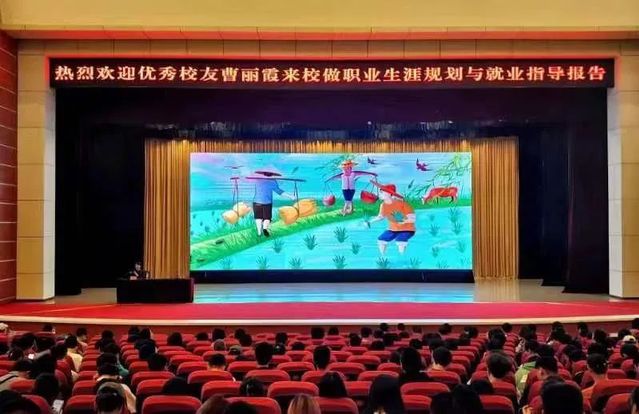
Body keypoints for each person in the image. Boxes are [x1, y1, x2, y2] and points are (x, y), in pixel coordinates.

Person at [365, 181, 416, 255]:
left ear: (389, 194)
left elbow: (413, 218)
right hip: (393, 229)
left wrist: (403, 221)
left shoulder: (402, 204)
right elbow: (380, 216)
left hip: (407, 229)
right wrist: (370, 221)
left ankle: (402, 256)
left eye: (382, 192)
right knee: (381, 240)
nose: (379, 194)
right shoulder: (383, 205)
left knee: (400, 240)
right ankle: (382, 256)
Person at [246, 169, 296, 237]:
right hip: (267, 202)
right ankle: (264, 228)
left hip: (257, 202)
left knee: (258, 218)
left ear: (263, 174)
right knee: (267, 218)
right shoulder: (272, 181)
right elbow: (279, 191)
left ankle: (259, 233)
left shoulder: (258, 180)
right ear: (272, 175)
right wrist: (290, 196)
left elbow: (248, 180)